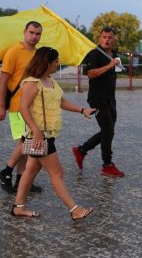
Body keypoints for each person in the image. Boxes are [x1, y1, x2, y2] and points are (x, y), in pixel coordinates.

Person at [11, 47, 94, 220]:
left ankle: (18, 208)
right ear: (46, 63)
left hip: (46, 134)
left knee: (30, 170)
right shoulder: (32, 82)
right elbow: (23, 108)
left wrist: (82, 110)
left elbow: (60, 101)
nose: (58, 64)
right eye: (56, 61)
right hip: (40, 136)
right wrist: (35, 130)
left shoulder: (50, 80)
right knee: (57, 173)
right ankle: (75, 210)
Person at [72, 27, 124, 177]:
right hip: (97, 98)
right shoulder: (95, 53)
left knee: (109, 131)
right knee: (108, 130)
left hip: (110, 98)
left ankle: (82, 150)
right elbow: (91, 74)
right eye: (104, 37)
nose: (107, 40)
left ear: (114, 39)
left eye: (110, 37)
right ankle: (107, 165)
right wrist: (109, 66)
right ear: (100, 38)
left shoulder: (113, 54)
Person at [0, 21, 44, 194]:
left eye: (38, 34)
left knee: (25, 143)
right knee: (26, 142)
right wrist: (1, 105)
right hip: (17, 105)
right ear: (24, 32)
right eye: (31, 32)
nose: (34, 36)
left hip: (32, 106)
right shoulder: (14, 51)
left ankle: (21, 181)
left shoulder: (38, 54)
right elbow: (3, 80)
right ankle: (6, 172)